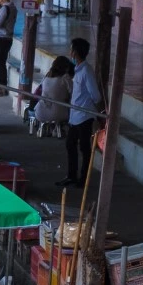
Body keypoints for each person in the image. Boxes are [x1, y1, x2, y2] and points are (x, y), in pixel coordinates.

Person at [59, 38, 100, 188]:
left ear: (75, 52)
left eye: (71, 49)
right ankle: (71, 175)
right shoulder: (77, 69)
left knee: (84, 147)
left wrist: (88, 105)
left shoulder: (87, 71)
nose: (70, 52)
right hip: (75, 115)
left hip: (85, 116)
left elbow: (95, 95)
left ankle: (84, 178)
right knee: (70, 144)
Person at [34, 55, 74, 133]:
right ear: (66, 67)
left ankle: (54, 128)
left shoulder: (46, 76)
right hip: (58, 114)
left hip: (40, 112)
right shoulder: (65, 78)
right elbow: (74, 93)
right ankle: (61, 128)